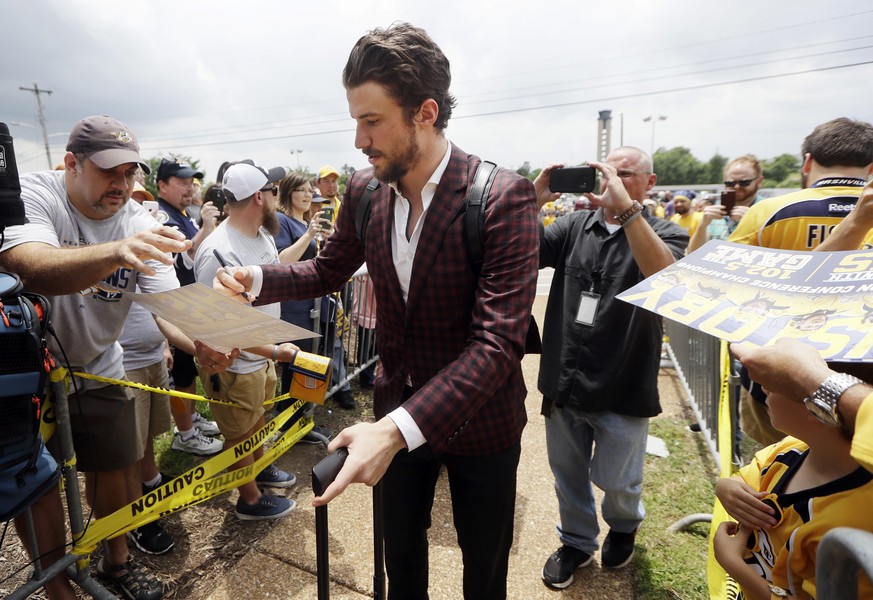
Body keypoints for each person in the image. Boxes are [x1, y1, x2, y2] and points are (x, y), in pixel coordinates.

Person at [209, 23, 538, 599]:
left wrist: (393, 430)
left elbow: (496, 345)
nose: (359, 139)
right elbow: (326, 271)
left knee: (484, 569)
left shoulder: (501, 196)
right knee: (399, 559)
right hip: (394, 406)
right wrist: (252, 277)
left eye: (372, 120)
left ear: (425, 113)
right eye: (355, 120)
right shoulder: (365, 190)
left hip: (480, 422)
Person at [1, 115, 198, 600]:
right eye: (110, 171)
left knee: (117, 466)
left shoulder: (138, 219)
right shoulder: (37, 194)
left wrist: (202, 344)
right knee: (36, 483)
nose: (122, 184)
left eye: (131, 173)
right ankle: (56, 584)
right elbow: (31, 265)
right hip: (32, 371)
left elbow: (168, 306)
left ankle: (117, 561)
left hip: (99, 361)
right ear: (71, 163)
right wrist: (118, 251)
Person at [533, 148, 689, 589]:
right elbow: (521, 252)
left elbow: (664, 275)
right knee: (567, 473)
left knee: (620, 480)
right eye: (606, 173)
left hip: (623, 379)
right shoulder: (573, 226)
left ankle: (623, 526)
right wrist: (533, 202)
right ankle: (577, 541)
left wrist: (629, 213)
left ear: (650, 181)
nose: (612, 181)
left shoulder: (665, 232)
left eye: (624, 174)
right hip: (565, 376)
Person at [728, 117, 873, 446]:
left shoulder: (767, 211)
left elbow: (732, 291)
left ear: (807, 161)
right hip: (863, 383)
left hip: (774, 377)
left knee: (775, 469)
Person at [717, 339, 873, 598]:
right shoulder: (792, 448)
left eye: (776, 380)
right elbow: (746, 478)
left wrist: (734, 565)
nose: (763, 388)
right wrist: (727, 488)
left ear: (820, 408)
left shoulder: (851, 523)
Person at [193, 160, 298, 521]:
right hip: (236, 364)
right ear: (259, 197)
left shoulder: (263, 234)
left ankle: (259, 467)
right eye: (273, 192)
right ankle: (249, 500)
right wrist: (276, 350)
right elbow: (221, 330)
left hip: (263, 355)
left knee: (257, 422)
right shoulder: (217, 251)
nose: (277, 198)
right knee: (238, 433)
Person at [155, 158, 223, 456]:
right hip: (172, 309)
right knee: (181, 375)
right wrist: (206, 227)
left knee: (188, 372)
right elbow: (181, 258)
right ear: (162, 185)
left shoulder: (180, 212)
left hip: (185, 305)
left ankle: (191, 421)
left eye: (191, 182)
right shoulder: (160, 214)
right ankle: (184, 434)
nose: (189, 188)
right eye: (181, 182)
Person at [272, 171, 335, 441]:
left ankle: (302, 420)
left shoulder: (305, 222)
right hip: (293, 306)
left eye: (310, 189)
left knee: (309, 363)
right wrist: (308, 235)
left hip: (312, 304)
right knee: (296, 364)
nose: (309, 194)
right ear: (288, 193)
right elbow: (282, 261)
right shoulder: (283, 221)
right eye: (302, 190)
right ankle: (290, 424)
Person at [687, 155, 765, 252]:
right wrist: (703, 225)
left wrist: (753, 224)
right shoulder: (717, 212)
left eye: (744, 182)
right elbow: (693, 252)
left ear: (759, 181)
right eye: (730, 183)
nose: (736, 186)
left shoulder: (769, 210)